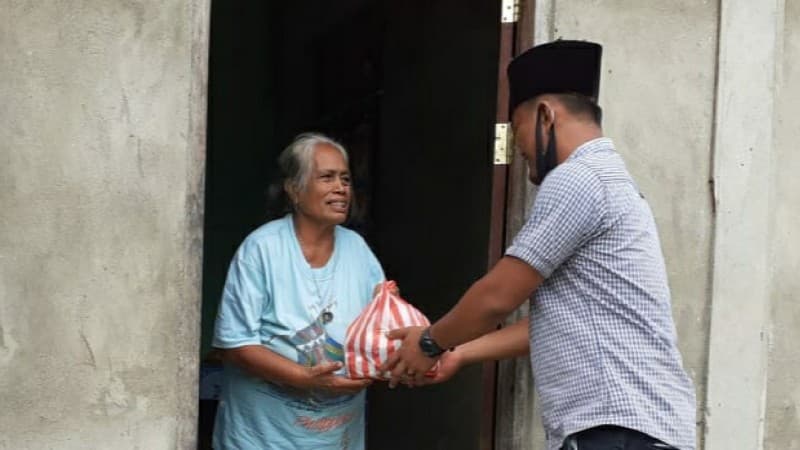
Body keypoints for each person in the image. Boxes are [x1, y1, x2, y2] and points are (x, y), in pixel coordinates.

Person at [382, 40, 697, 450]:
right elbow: (549, 325)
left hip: (615, 432)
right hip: (637, 430)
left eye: (517, 131)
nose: (519, 149)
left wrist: (429, 342)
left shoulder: (577, 179)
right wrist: (458, 351)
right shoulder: (611, 180)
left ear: (546, 116)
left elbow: (497, 296)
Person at [211, 132, 387, 450]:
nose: (341, 188)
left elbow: (381, 324)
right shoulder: (261, 249)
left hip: (336, 434)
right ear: (294, 189)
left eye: (345, 179)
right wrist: (304, 377)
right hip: (264, 436)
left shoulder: (359, 251)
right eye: (327, 177)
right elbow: (235, 344)